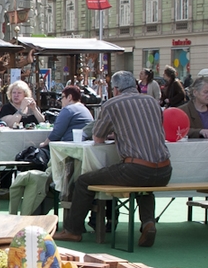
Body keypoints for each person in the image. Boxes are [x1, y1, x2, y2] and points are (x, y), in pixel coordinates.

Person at [54, 71, 171, 248]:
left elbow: (98, 138)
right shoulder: (152, 102)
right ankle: (148, 222)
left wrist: (115, 134)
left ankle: (73, 230)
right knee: (145, 187)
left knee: (84, 181)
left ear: (116, 89)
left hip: (136, 169)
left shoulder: (112, 104)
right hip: (164, 170)